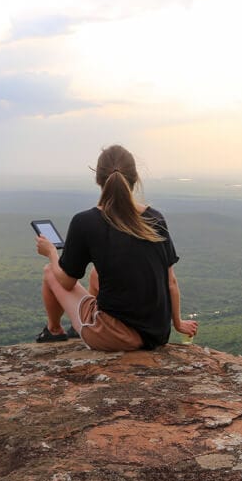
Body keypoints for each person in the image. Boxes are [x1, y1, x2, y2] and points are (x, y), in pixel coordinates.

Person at [34, 145, 198, 350]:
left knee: (51, 271)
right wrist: (177, 323)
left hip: (115, 336)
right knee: (95, 275)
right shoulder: (155, 218)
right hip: (156, 333)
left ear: (98, 180)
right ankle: (80, 326)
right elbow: (170, 281)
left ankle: (54, 331)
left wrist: (51, 253)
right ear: (135, 178)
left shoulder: (85, 221)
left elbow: (66, 283)